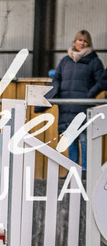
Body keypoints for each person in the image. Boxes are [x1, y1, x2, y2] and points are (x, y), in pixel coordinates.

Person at [37, 30, 107, 177]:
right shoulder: (65, 61)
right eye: (80, 40)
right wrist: (52, 94)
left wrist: (89, 94)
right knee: (71, 139)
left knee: (84, 139)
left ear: (89, 44)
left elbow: (102, 81)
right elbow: (56, 79)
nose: (82, 43)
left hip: (83, 106)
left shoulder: (94, 61)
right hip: (67, 106)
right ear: (75, 41)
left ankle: (86, 171)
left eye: (85, 41)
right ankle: (73, 170)